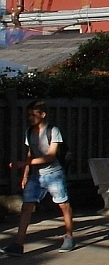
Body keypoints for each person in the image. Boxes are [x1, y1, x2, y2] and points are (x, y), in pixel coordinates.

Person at [3, 101, 74, 254]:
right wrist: (25, 174)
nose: (30, 118)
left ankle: (68, 236)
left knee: (63, 205)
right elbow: (30, 153)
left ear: (43, 115)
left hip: (54, 174)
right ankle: (18, 244)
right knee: (26, 207)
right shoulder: (29, 132)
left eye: (34, 115)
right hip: (36, 175)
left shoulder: (53, 131)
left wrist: (23, 163)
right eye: (29, 115)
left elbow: (50, 156)